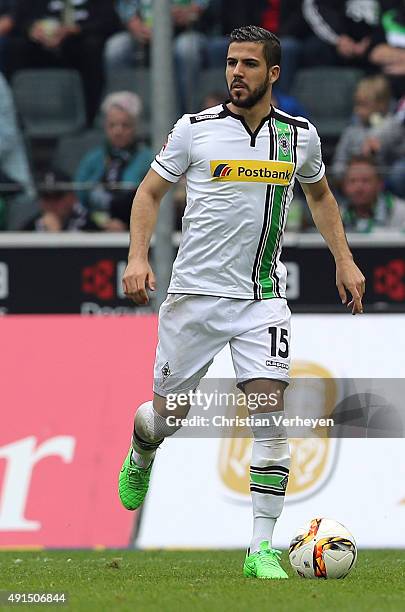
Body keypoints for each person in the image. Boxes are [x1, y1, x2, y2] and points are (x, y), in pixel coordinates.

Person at [118, 25, 365, 579]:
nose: (236, 72)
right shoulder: (194, 130)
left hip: (263, 299)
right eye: (231, 62)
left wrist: (344, 260)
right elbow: (149, 192)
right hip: (195, 298)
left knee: (270, 416)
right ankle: (142, 448)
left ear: (272, 73)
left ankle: (260, 548)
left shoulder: (300, 137)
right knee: (168, 417)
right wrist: (137, 257)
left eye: (249, 64)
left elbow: (320, 195)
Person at [7, 0, 119, 125]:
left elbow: (111, 23)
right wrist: (32, 29)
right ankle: (18, 118)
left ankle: (90, 118)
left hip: (80, 44)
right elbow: (19, 20)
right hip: (39, 45)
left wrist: (76, 30)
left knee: (92, 47)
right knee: (14, 47)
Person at [74, 91, 153, 232]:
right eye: (112, 125)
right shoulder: (93, 158)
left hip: (137, 229)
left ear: (136, 127)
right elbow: (79, 197)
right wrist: (104, 222)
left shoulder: (148, 159)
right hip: (94, 228)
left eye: (125, 125)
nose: (118, 131)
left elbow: (152, 199)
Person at [331, 74, 398, 183]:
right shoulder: (351, 130)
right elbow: (339, 160)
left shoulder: (392, 125)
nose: (357, 110)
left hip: (382, 181)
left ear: (381, 105)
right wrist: (344, 172)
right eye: (356, 104)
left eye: (363, 105)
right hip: (352, 180)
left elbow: (382, 141)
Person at [340, 155, 405, 231]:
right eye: (352, 181)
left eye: (365, 181)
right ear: (344, 186)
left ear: (379, 184)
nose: (358, 187)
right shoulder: (337, 214)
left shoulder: (401, 212)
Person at [22, 169, 99, 232]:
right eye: (46, 198)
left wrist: (56, 234)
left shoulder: (89, 225)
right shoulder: (31, 227)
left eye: (57, 197)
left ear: (72, 197)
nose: (51, 203)